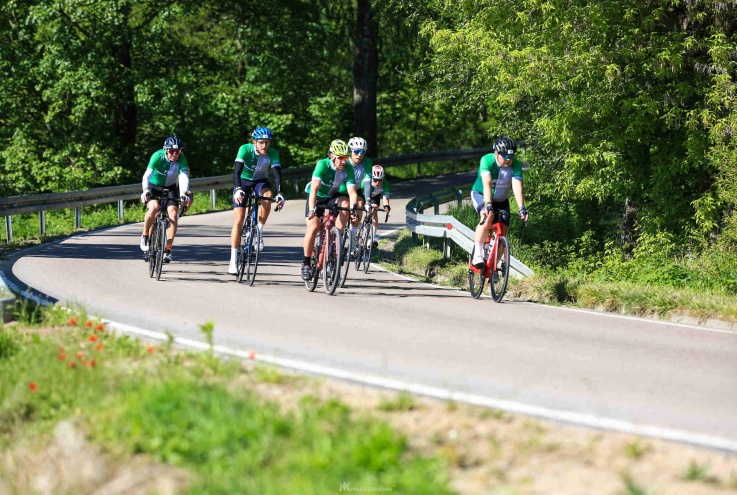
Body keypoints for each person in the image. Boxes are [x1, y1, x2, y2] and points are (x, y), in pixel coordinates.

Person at [228, 127, 285, 275]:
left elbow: (277, 175)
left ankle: (258, 231)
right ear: (254, 142)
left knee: (268, 196)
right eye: (261, 143)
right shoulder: (245, 149)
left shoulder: (273, 153)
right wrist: (238, 189)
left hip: (260, 181)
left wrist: (280, 194)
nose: (264, 146)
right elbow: (236, 172)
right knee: (239, 219)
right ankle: (233, 261)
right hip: (243, 182)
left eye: (267, 142)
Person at [301, 139, 359, 280]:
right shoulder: (322, 164)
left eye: (346, 158)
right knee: (313, 228)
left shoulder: (348, 168)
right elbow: (314, 189)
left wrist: (354, 210)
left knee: (345, 204)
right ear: (332, 156)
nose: (344, 161)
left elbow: (352, 192)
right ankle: (306, 263)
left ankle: (336, 238)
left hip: (333, 196)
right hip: (318, 196)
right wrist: (311, 210)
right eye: (341, 158)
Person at [471, 136, 529, 270]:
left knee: (503, 231)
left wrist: (521, 208)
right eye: (505, 156)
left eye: (511, 156)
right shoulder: (487, 160)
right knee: (487, 216)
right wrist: (488, 204)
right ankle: (477, 256)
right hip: (481, 195)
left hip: (502, 200)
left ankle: (493, 267)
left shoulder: (516, 164)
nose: (508, 159)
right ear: (496, 153)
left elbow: (517, 187)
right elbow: (487, 184)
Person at [140, 135, 191, 263]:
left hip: (171, 187)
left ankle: (168, 249)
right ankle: (145, 235)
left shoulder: (181, 159)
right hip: (154, 186)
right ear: (166, 150)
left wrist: (183, 193)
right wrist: (145, 190)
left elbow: (184, 177)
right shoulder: (157, 156)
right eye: (172, 151)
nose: (175, 154)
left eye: (177, 151)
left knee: (173, 214)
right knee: (154, 208)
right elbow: (147, 175)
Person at [346, 137, 372, 240]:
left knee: (360, 204)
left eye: (362, 152)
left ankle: (353, 236)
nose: (359, 155)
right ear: (350, 151)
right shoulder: (344, 161)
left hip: (357, 189)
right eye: (356, 151)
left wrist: (368, 201)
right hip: (343, 190)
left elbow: (367, 183)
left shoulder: (367, 162)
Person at [363, 165, 391, 249]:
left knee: (374, 212)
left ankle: (372, 239)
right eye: (375, 180)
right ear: (371, 178)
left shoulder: (386, 184)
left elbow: (386, 199)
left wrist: (386, 206)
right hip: (363, 195)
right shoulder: (365, 182)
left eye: (380, 180)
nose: (377, 182)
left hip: (374, 197)